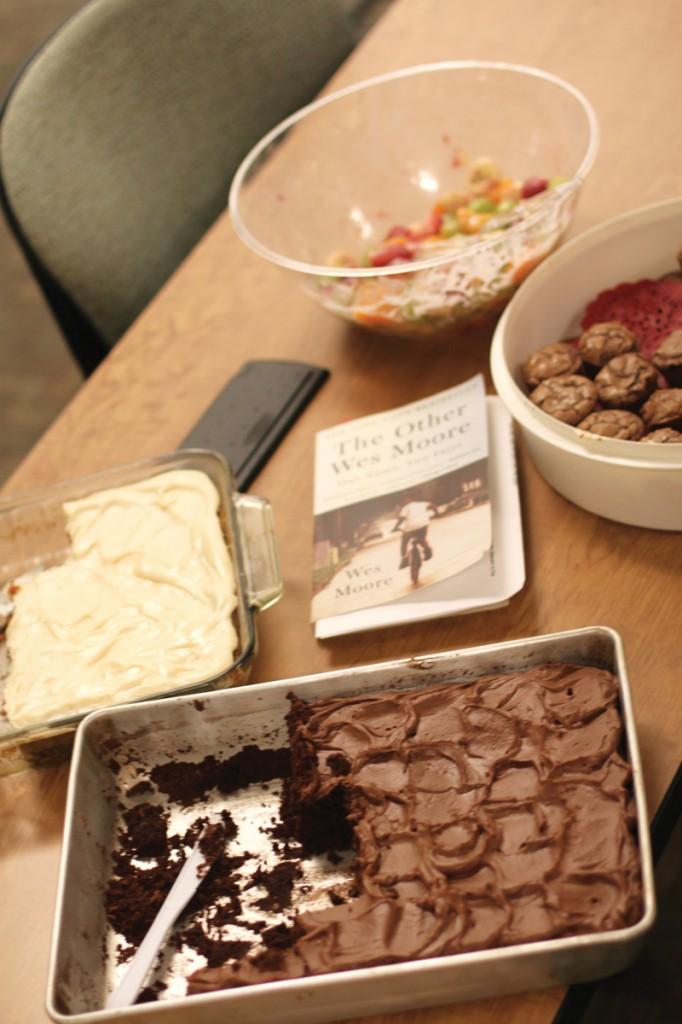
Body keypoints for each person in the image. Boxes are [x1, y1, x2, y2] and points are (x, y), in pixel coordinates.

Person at [393, 495, 438, 569]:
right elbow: (432, 505)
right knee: (422, 539)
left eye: (403, 501)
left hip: (411, 528)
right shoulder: (421, 504)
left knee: (404, 542)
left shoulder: (405, 508)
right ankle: (427, 550)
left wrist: (395, 528)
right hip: (423, 525)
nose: (403, 502)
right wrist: (436, 513)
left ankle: (405, 559)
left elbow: (401, 519)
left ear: (407, 500)